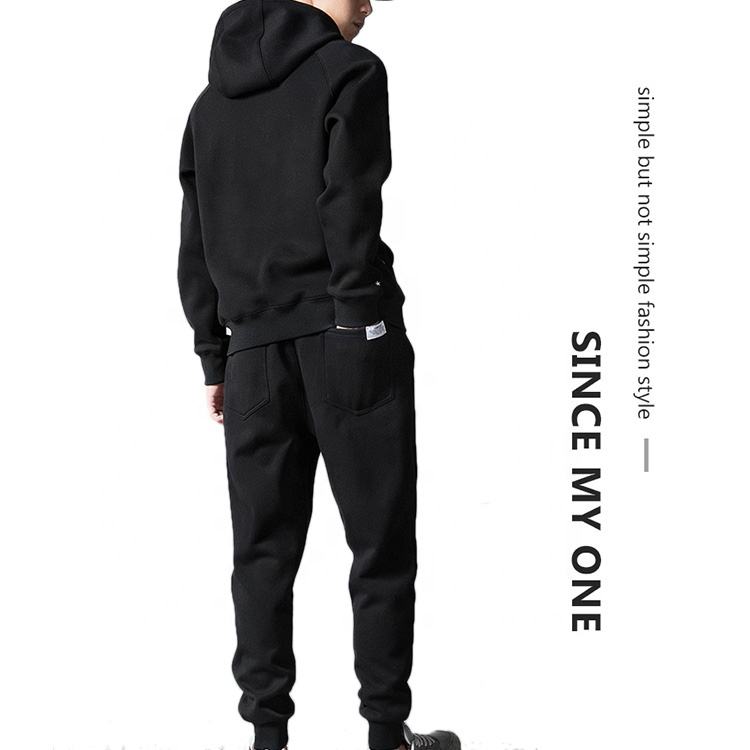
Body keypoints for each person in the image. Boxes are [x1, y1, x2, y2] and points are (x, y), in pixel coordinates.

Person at [177, 1, 460, 749]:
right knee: (380, 543)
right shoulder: (349, 71)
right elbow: (349, 201)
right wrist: (359, 319)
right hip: (345, 335)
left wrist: (215, 354)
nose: (370, 5)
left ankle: (267, 740)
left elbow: (195, 238)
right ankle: (385, 735)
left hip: (251, 357)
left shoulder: (208, 106)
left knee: (261, 554)